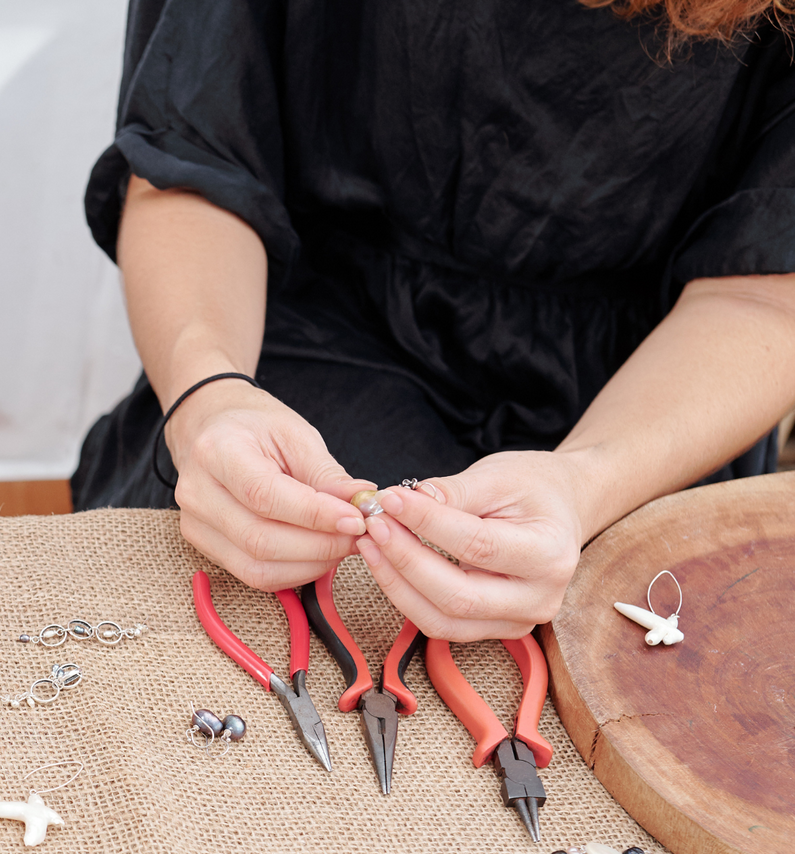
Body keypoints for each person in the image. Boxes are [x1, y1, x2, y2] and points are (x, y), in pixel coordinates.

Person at [73, 0, 795, 639]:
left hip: (660, 408)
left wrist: (583, 484)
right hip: (308, 336)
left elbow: (767, 289)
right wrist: (209, 394)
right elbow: (189, 159)